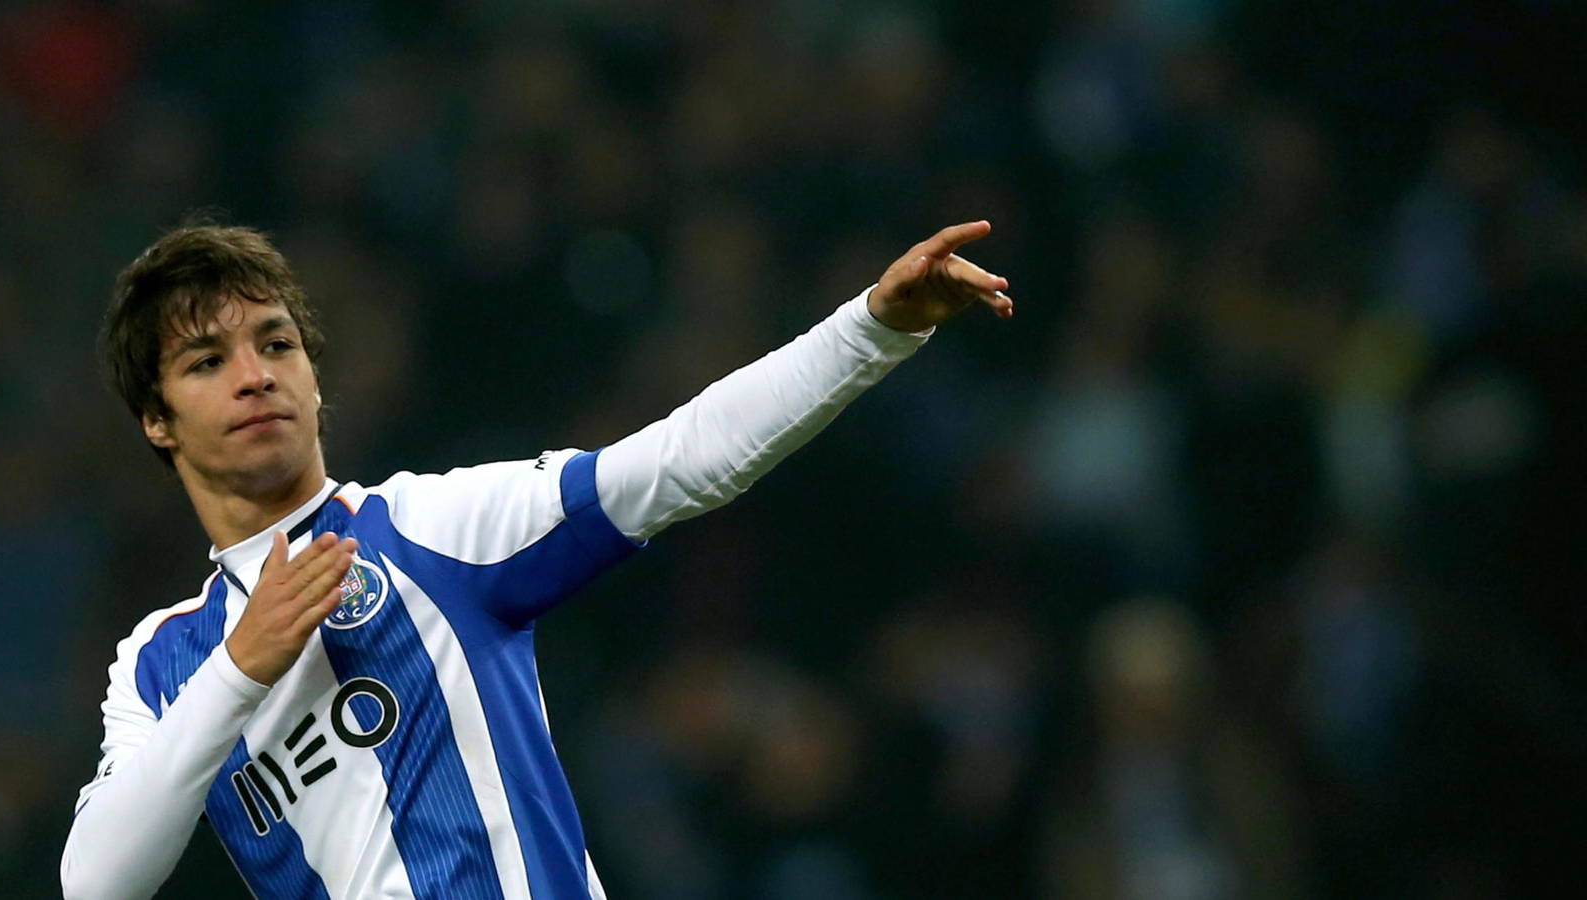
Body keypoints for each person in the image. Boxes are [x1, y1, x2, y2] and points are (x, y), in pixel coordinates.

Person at [60, 219, 1014, 899]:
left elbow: (679, 461)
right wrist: (241, 669)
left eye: (276, 344)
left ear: (314, 376)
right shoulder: (159, 666)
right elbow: (96, 882)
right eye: (207, 362)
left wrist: (873, 327)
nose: (255, 375)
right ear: (157, 421)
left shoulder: (432, 527)